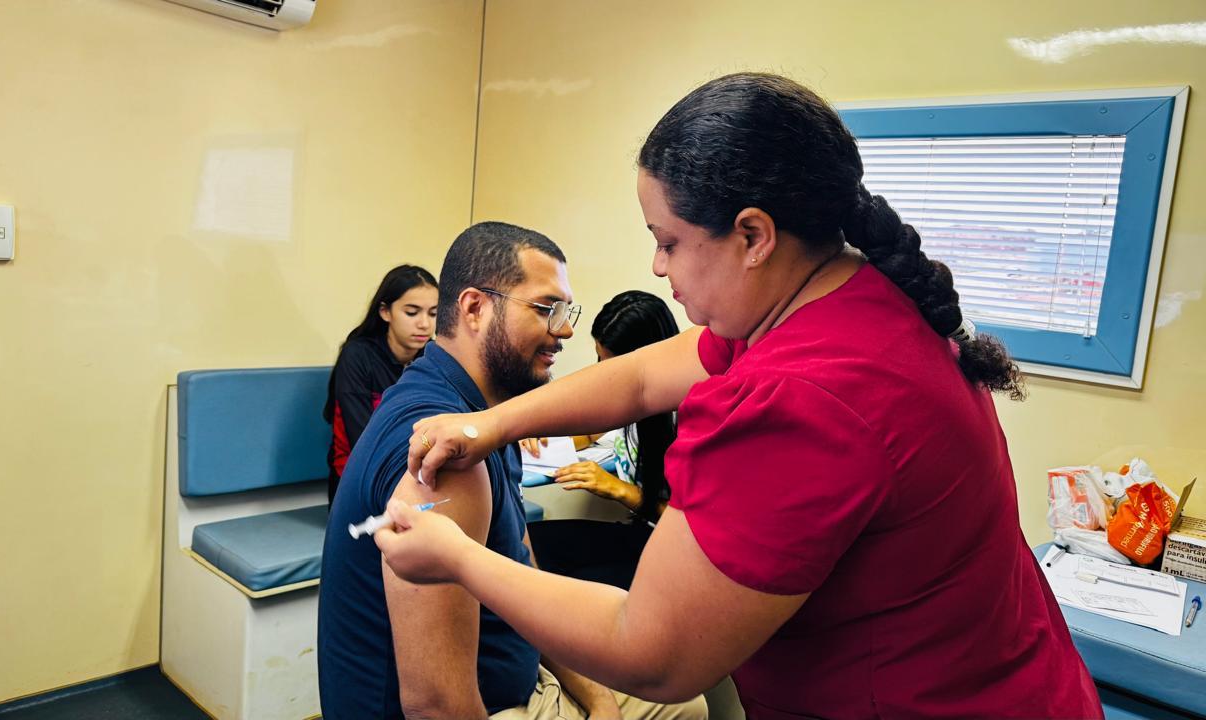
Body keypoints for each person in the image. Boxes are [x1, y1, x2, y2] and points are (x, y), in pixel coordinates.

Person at [374, 73, 1103, 719]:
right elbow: (642, 377)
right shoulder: (842, 303)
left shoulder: (800, 398)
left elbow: (653, 655)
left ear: (754, 235)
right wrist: (489, 425)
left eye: (668, 241)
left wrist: (459, 557)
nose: (657, 267)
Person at [317, 222, 707, 720]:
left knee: (683, 705)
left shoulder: (483, 422)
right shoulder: (448, 458)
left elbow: (524, 570)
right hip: (488, 706)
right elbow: (436, 705)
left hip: (521, 677)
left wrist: (598, 698)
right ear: (475, 308)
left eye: (566, 311)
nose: (565, 330)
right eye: (546, 309)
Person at [524, 290, 679, 589]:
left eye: (612, 365)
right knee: (529, 541)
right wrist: (541, 436)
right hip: (642, 534)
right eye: (600, 359)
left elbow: (696, 526)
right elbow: (592, 431)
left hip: (674, 554)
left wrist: (618, 489)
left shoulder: (688, 417)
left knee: (558, 582)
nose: (604, 375)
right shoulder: (631, 404)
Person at [323, 264, 438, 503]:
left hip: (416, 477)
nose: (424, 324)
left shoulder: (434, 356)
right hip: (359, 484)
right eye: (412, 312)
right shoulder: (357, 356)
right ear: (385, 312)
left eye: (433, 313)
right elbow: (364, 441)